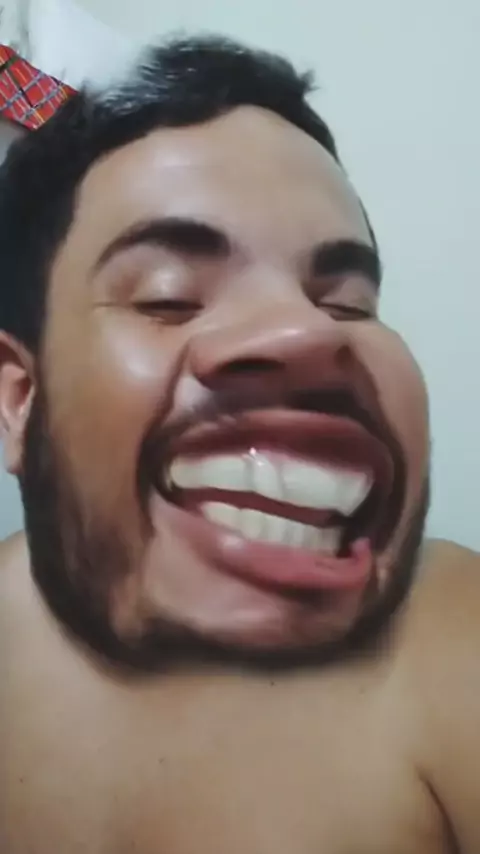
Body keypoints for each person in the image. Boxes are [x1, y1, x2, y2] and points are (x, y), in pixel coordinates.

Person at [0, 34, 478, 854]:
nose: (305, 332)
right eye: (169, 297)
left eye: (347, 304)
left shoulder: (453, 638)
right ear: (18, 399)